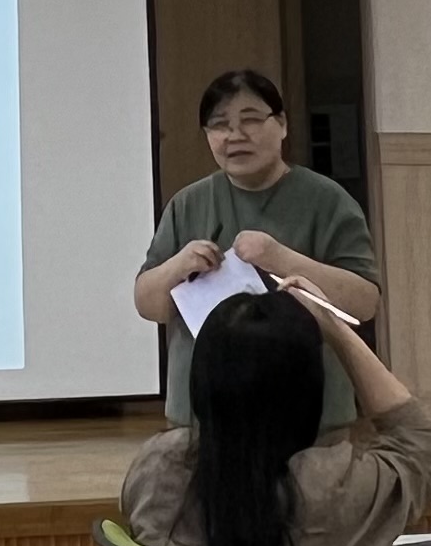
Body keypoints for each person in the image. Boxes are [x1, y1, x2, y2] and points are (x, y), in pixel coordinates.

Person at [120, 282, 431, 546]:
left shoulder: (156, 472)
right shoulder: (331, 489)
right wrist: (336, 329)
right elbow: (419, 441)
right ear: (308, 390)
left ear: (201, 383)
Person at [135, 68, 382, 435]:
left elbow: (364, 303)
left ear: (281, 124)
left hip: (310, 414)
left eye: (250, 120)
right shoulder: (188, 204)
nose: (235, 135)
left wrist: (280, 257)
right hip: (203, 415)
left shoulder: (328, 201)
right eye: (219, 125)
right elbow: (148, 305)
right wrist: (178, 265)